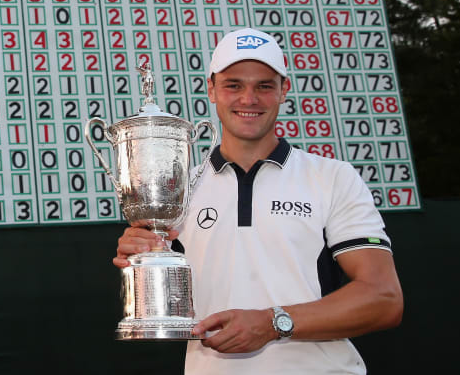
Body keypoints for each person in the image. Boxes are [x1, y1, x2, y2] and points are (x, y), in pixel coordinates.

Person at [113, 27, 403, 374]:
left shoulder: (332, 177)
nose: (248, 99)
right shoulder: (179, 189)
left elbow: (384, 299)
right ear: (212, 90)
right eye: (233, 85)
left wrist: (272, 323)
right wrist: (145, 258)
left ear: (284, 91)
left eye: (264, 86)